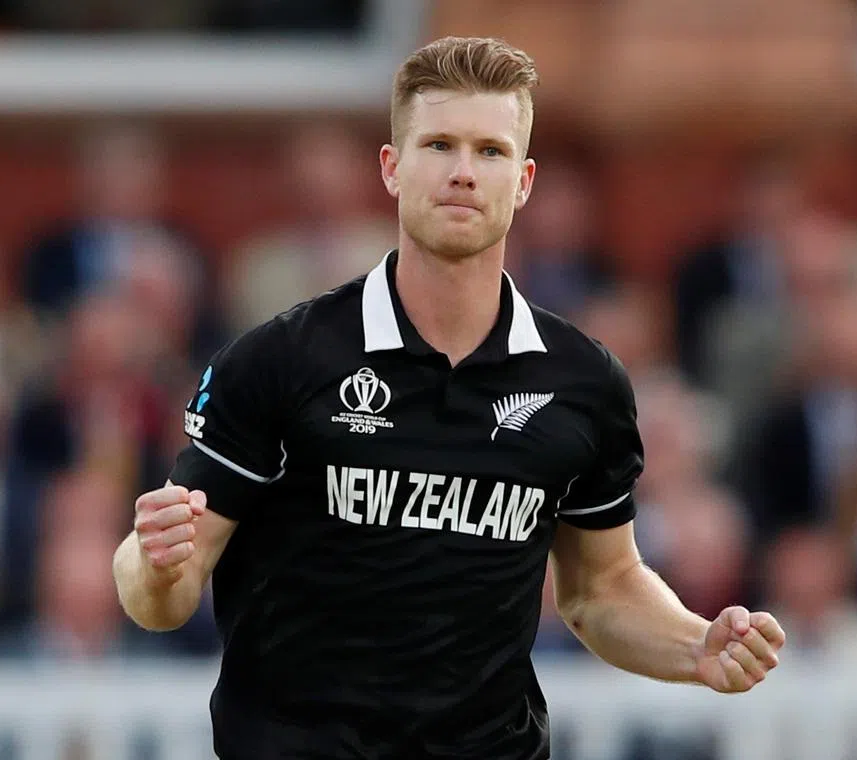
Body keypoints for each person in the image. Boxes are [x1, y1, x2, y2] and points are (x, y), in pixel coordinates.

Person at [112, 36, 786, 760]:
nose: (464, 173)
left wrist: (696, 647)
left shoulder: (584, 385)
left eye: (490, 151)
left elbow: (603, 591)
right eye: (439, 145)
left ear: (524, 181)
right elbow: (163, 594)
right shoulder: (280, 360)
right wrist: (154, 566)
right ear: (392, 168)